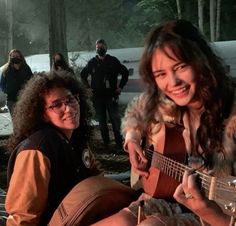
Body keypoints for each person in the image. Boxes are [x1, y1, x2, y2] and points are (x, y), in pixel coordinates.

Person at [91, 19, 236, 226]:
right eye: (161, 74)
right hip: (162, 196)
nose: (173, 82)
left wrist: (213, 215)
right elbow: (137, 110)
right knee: (118, 221)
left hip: (212, 217)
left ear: (202, 60)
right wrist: (133, 140)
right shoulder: (166, 102)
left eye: (181, 67)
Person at [5, 72, 103, 225]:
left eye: (71, 99)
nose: (69, 109)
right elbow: (23, 216)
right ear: (43, 114)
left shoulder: (74, 138)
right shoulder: (37, 150)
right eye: (57, 105)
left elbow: (96, 178)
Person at [81, 39, 129, 148]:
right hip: (97, 96)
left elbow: (125, 73)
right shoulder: (92, 62)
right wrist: (88, 88)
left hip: (111, 95)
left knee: (115, 119)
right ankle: (106, 142)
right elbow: (83, 75)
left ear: (106, 48)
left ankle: (119, 142)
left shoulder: (112, 61)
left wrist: (120, 87)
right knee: (102, 120)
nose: (100, 49)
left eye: (102, 47)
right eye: (98, 47)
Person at [0, 49, 33, 114]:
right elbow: (2, 83)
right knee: (15, 120)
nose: (15, 58)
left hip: (24, 98)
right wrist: (6, 90)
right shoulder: (6, 69)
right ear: (10, 57)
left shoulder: (26, 68)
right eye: (13, 56)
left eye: (17, 56)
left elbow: (31, 80)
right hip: (11, 99)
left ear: (20, 57)